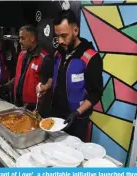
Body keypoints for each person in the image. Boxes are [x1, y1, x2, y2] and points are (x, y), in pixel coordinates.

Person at [38, 10, 103, 142]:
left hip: (77, 119)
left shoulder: (90, 57)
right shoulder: (59, 53)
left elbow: (95, 94)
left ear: (75, 30)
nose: (60, 41)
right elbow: (54, 77)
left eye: (64, 35)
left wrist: (77, 112)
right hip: (56, 115)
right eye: (57, 36)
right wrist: (46, 86)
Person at [0, 25, 53, 111]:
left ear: (32, 38)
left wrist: (38, 109)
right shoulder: (22, 54)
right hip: (18, 103)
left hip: (33, 108)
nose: (20, 41)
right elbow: (19, 78)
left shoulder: (44, 59)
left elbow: (46, 89)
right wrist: (6, 87)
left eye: (22, 38)